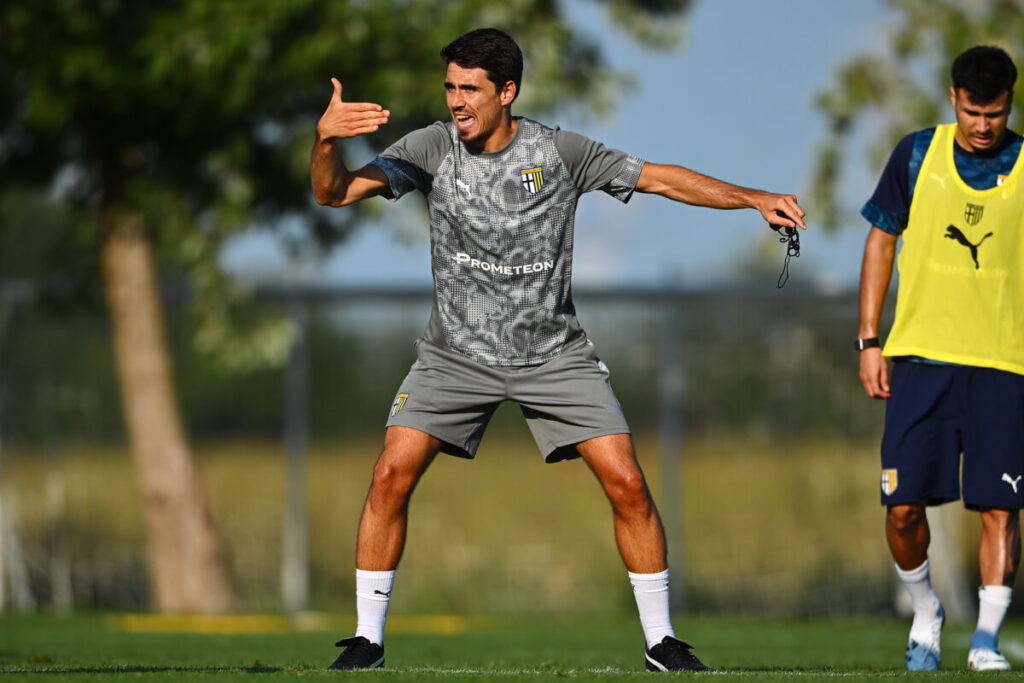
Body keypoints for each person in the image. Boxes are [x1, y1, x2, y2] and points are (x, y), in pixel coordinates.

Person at [312, 27, 806, 672]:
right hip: (454, 356)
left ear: (507, 91)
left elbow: (659, 179)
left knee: (627, 482)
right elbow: (333, 193)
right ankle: (367, 641)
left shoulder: (560, 152)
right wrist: (326, 141)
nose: (457, 101)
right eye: (451, 87)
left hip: (554, 355)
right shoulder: (430, 148)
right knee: (389, 474)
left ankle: (662, 642)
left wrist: (754, 199)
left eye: (471, 89)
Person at [857, 45, 1023, 672]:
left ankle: (986, 639)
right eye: (973, 112)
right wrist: (869, 339)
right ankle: (926, 611)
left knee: (1001, 508)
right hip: (920, 361)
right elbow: (881, 240)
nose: (983, 125)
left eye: (995, 113)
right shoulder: (916, 154)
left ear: (1010, 103)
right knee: (902, 508)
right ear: (954, 98)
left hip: (1004, 364)